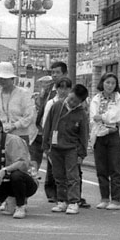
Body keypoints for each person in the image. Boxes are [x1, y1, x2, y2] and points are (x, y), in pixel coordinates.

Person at [43, 83, 89, 215]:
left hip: (71, 149)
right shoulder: (57, 106)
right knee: (58, 175)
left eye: (76, 101)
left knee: (72, 176)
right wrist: (46, 146)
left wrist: (81, 153)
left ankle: (74, 201)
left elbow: (84, 135)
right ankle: (61, 200)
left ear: (81, 102)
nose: (72, 101)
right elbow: (48, 126)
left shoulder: (82, 114)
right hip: (55, 147)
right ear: (69, 93)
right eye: (71, 98)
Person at [89, 73, 120, 210]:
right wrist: (105, 120)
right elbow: (93, 118)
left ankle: (116, 200)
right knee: (101, 169)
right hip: (99, 135)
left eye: (113, 83)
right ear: (102, 83)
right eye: (107, 82)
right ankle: (104, 198)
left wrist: (103, 117)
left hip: (116, 135)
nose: (110, 85)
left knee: (115, 168)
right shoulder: (96, 99)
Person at [32, 61, 66, 203]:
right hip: (43, 128)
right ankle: (51, 191)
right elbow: (41, 107)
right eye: (52, 72)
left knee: (58, 162)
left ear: (64, 73)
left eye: (57, 72)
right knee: (46, 159)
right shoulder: (48, 88)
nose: (54, 75)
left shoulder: (68, 89)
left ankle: (63, 192)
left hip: (60, 130)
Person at [0, 61, 36, 145]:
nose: (2, 81)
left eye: (5, 79)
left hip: (20, 135)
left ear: (12, 79)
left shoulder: (23, 94)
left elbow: (30, 116)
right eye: (0, 78)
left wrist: (15, 125)